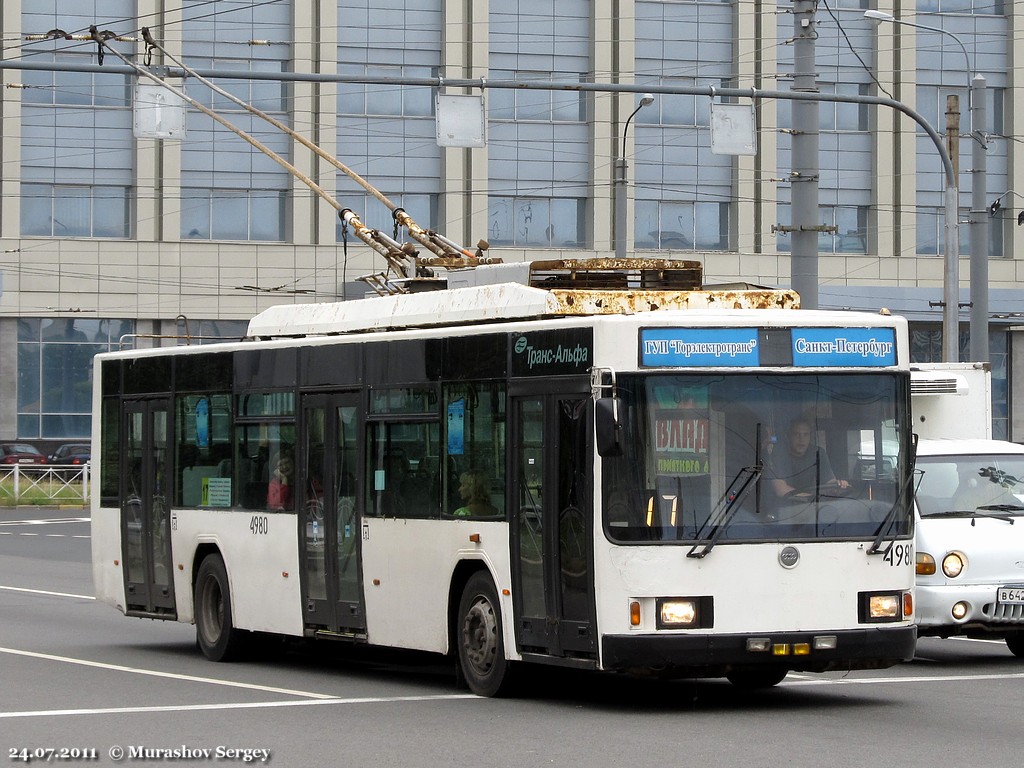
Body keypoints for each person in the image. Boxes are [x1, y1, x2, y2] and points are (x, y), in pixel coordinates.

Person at [768, 418, 849, 500]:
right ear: (788, 436)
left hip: (809, 505)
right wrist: (811, 498)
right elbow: (780, 490)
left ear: (810, 436)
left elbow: (828, 481)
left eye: (805, 434)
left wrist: (838, 485)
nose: (801, 439)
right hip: (783, 507)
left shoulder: (818, 453)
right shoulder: (778, 454)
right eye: (796, 434)